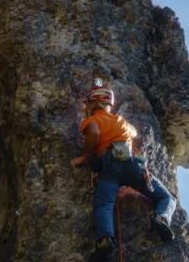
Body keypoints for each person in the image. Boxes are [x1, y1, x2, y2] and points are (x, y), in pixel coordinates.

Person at [70, 79, 176, 262]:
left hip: (110, 167)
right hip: (134, 166)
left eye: (88, 103)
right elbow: (136, 136)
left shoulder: (92, 120)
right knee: (166, 197)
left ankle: (105, 240)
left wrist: (86, 157)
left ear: (94, 103)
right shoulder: (122, 122)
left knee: (104, 203)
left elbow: (94, 133)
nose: (85, 106)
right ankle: (161, 218)